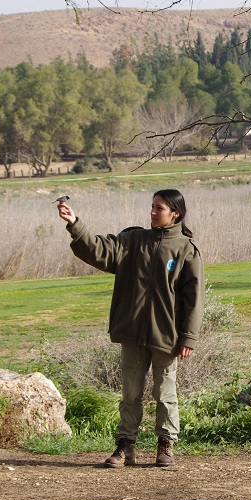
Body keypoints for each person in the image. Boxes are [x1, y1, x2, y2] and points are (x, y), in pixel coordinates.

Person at [57, 189, 204, 468]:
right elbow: (99, 249)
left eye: (159, 208)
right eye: (151, 206)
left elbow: (194, 299)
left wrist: (189, 337)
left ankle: (166, 446)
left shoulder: (186, 249)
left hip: (167, 335)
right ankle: (125, 447)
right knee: (130, 394)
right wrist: (75, 224)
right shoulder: (133, 240)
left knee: (165, 393)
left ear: (176, 213)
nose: (152, 212)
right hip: (133, 331)